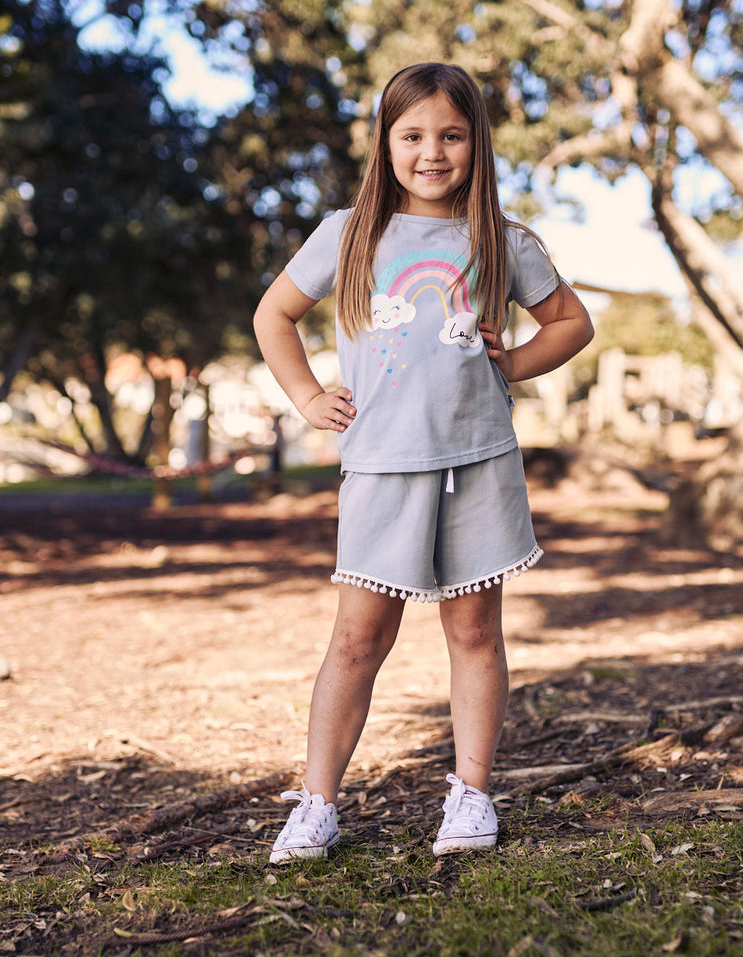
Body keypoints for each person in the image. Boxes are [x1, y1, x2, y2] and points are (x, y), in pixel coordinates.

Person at [253, 62, 594, 862]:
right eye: (412, 135)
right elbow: (274, 314)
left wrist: (510, 366)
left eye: (450, 134)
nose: (431, 152)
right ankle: (316, 803)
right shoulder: (348, 232)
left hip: (478, 461)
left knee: (474, 629)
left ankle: (471, 796)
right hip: (382, 465)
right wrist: (307, 399)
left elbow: (570, 323)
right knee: (356, 640)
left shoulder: (503, 242)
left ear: (475, 143)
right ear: (386, 143)